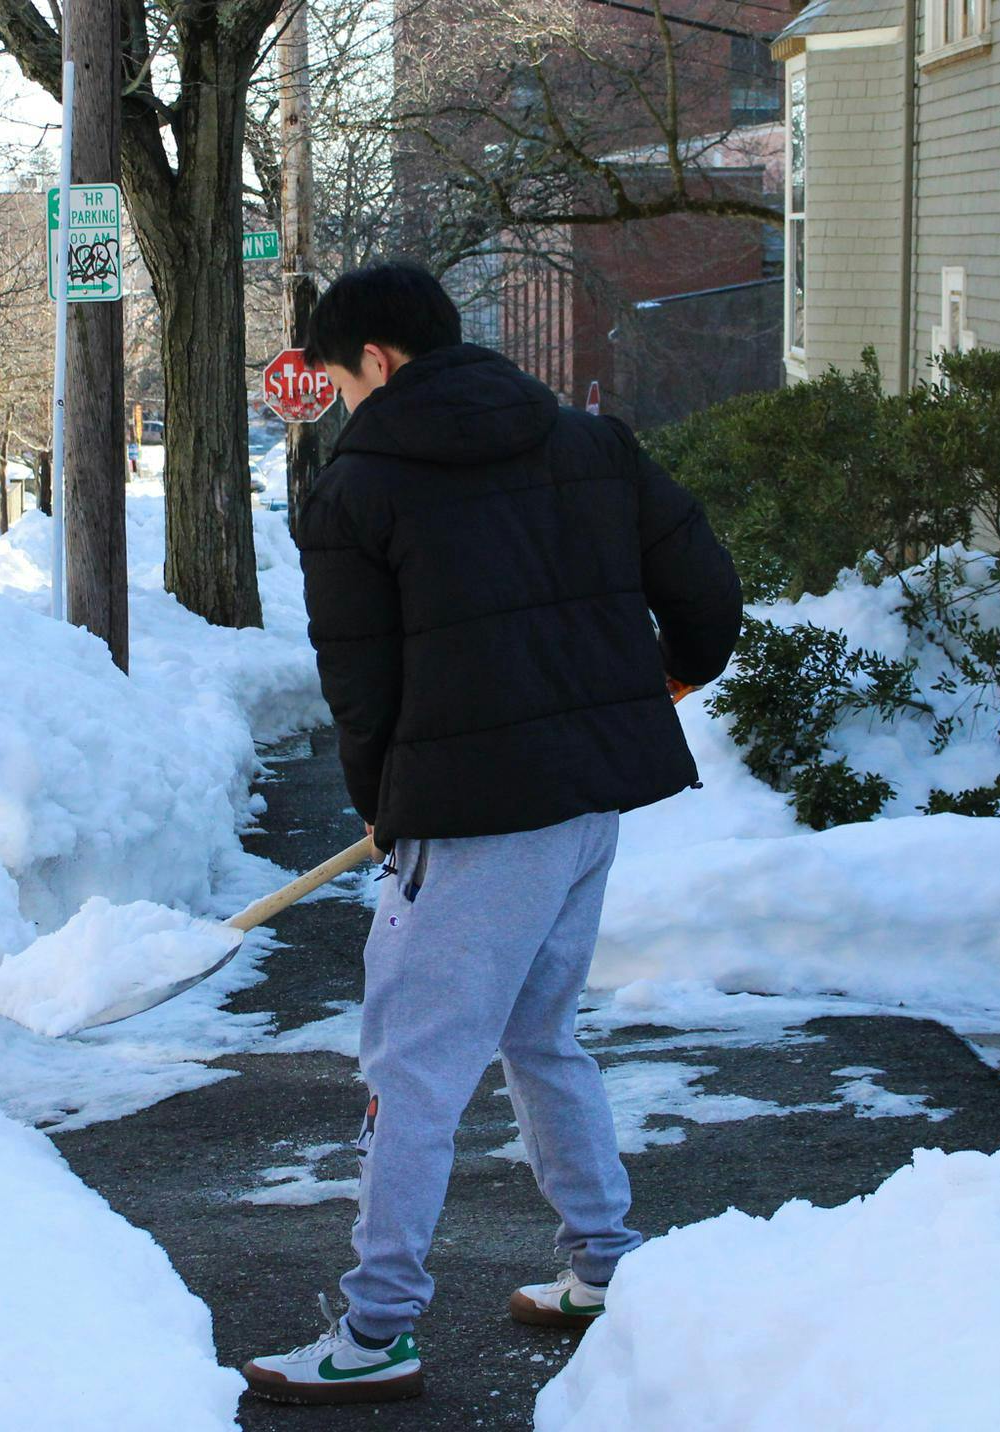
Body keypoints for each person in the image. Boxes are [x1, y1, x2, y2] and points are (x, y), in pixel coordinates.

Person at [242, 261, 742, 1406]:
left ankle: (374, 1330)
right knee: (538, 1031)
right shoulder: (585, 439)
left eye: (335, 376)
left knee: (410, 1068)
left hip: (469, 821)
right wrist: (664, 681)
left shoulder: (356, 489)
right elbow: (707, 596)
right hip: (584, 805)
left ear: (374, 360)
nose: (340, 400)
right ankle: (603, 1266)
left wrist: (384, 806)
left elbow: (358, 686)